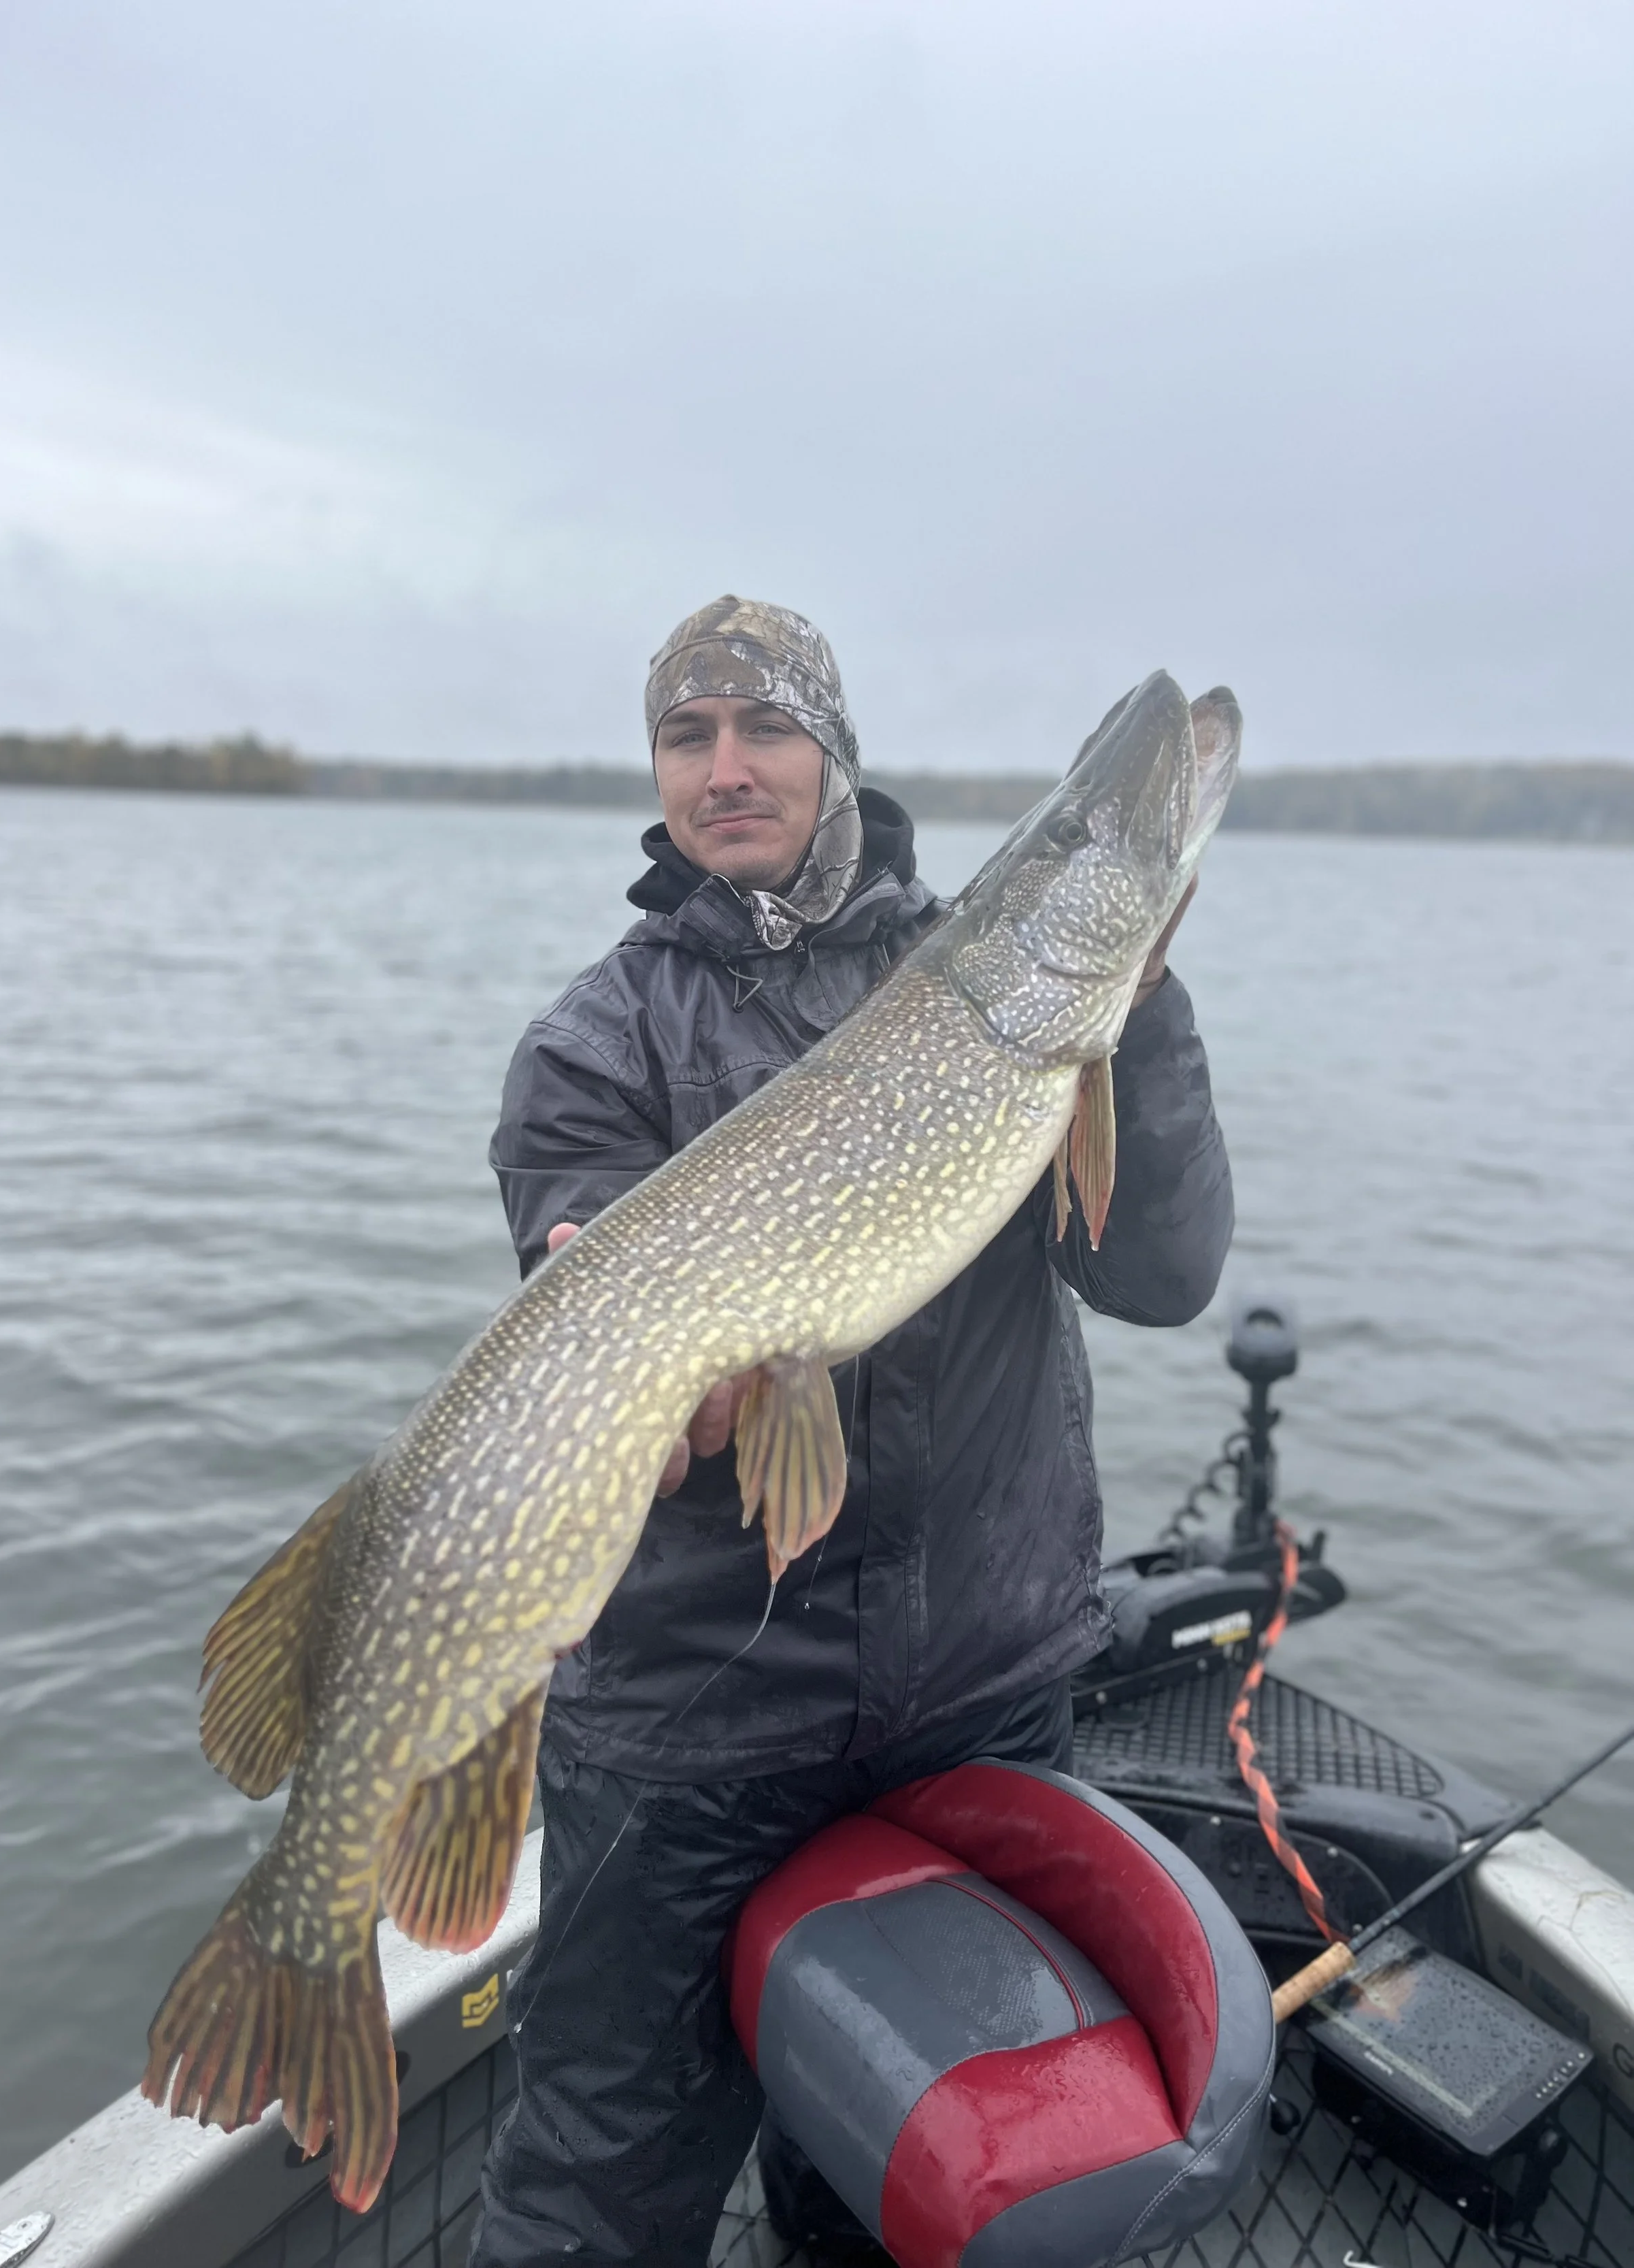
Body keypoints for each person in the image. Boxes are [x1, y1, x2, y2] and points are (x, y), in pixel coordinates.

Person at [471, 597, 1233, 2268]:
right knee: (597, 2188)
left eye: (765, 729)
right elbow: (585, 1286)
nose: (726, 768)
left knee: (905, 2185)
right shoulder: (593, 1044)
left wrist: (1138, 1001)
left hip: (973, 1697)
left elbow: (1164, 1275)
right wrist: (648, 1357)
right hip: (687, 1733)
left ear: (834, 752)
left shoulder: (990, 991)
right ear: (658, 771)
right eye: (688, 736)